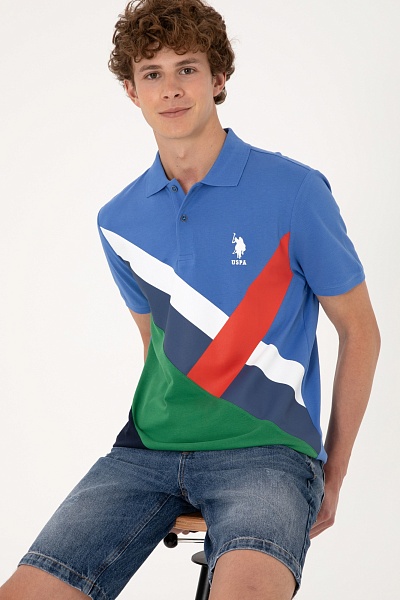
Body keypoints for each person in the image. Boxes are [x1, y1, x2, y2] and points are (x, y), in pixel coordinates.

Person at [0, 1, 380, 599]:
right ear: (132, 90)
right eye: (152, 73)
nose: (171, 88)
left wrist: (333, 471)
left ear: (218, 77)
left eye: (187, 68)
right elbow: (157, 347)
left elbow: (360, 331)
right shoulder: (119, 219)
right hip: (146, 453)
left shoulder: (295, 191)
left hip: (269, 454)